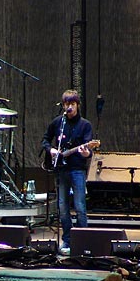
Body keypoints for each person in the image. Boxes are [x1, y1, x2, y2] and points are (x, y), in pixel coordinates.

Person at [41, 89, 93, 255]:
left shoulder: (85, 125)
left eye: (72, 104)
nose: (69, 107)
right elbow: (45, 139)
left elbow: (89, 151)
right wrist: (51, 150)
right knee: (62, 207)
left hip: (77, 169)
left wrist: (86, 153)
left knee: (80, 207)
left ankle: (83, 240)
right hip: (61, 169)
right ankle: (67, 239)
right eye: (66, 104)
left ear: (77, 105)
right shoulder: (58, 122)